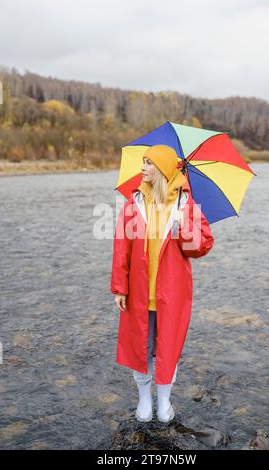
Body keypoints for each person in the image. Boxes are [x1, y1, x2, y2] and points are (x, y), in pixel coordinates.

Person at [110, 144, 215, 423]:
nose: (142, 168)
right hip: (139, 295)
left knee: (168, 348)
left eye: (148, 163)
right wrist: (120, 287)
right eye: (142, 162)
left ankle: (164, 401)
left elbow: (202, 246)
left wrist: (184, 226)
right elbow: (121, 247)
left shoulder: (186, 204)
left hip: (173, 294)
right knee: (139, 347)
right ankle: (144, 399)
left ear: (164, 168)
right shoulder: (135, 204)